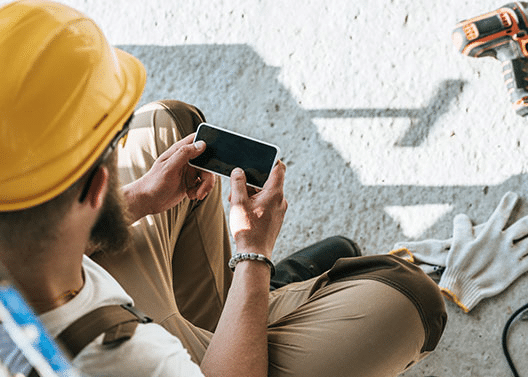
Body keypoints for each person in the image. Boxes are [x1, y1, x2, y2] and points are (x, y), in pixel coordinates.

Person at [0, 1, 447, 376]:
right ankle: (257, 295)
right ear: (98, 187)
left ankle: (232, 309)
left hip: (61, 289)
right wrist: (254, 254)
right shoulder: (135, 360)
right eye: (111, 144)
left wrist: (139, 198)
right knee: (410, 297)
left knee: (172, 125)